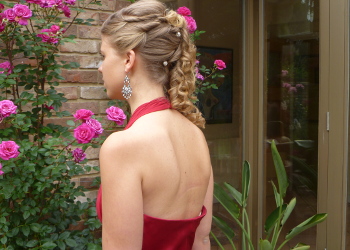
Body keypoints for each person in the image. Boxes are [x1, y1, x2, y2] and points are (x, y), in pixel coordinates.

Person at [96, 0, 213, 249]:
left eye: (104, 56)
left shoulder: (123, 146)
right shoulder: (195, 135)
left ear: (129, 59)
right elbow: (202, 240)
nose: (100, 67)